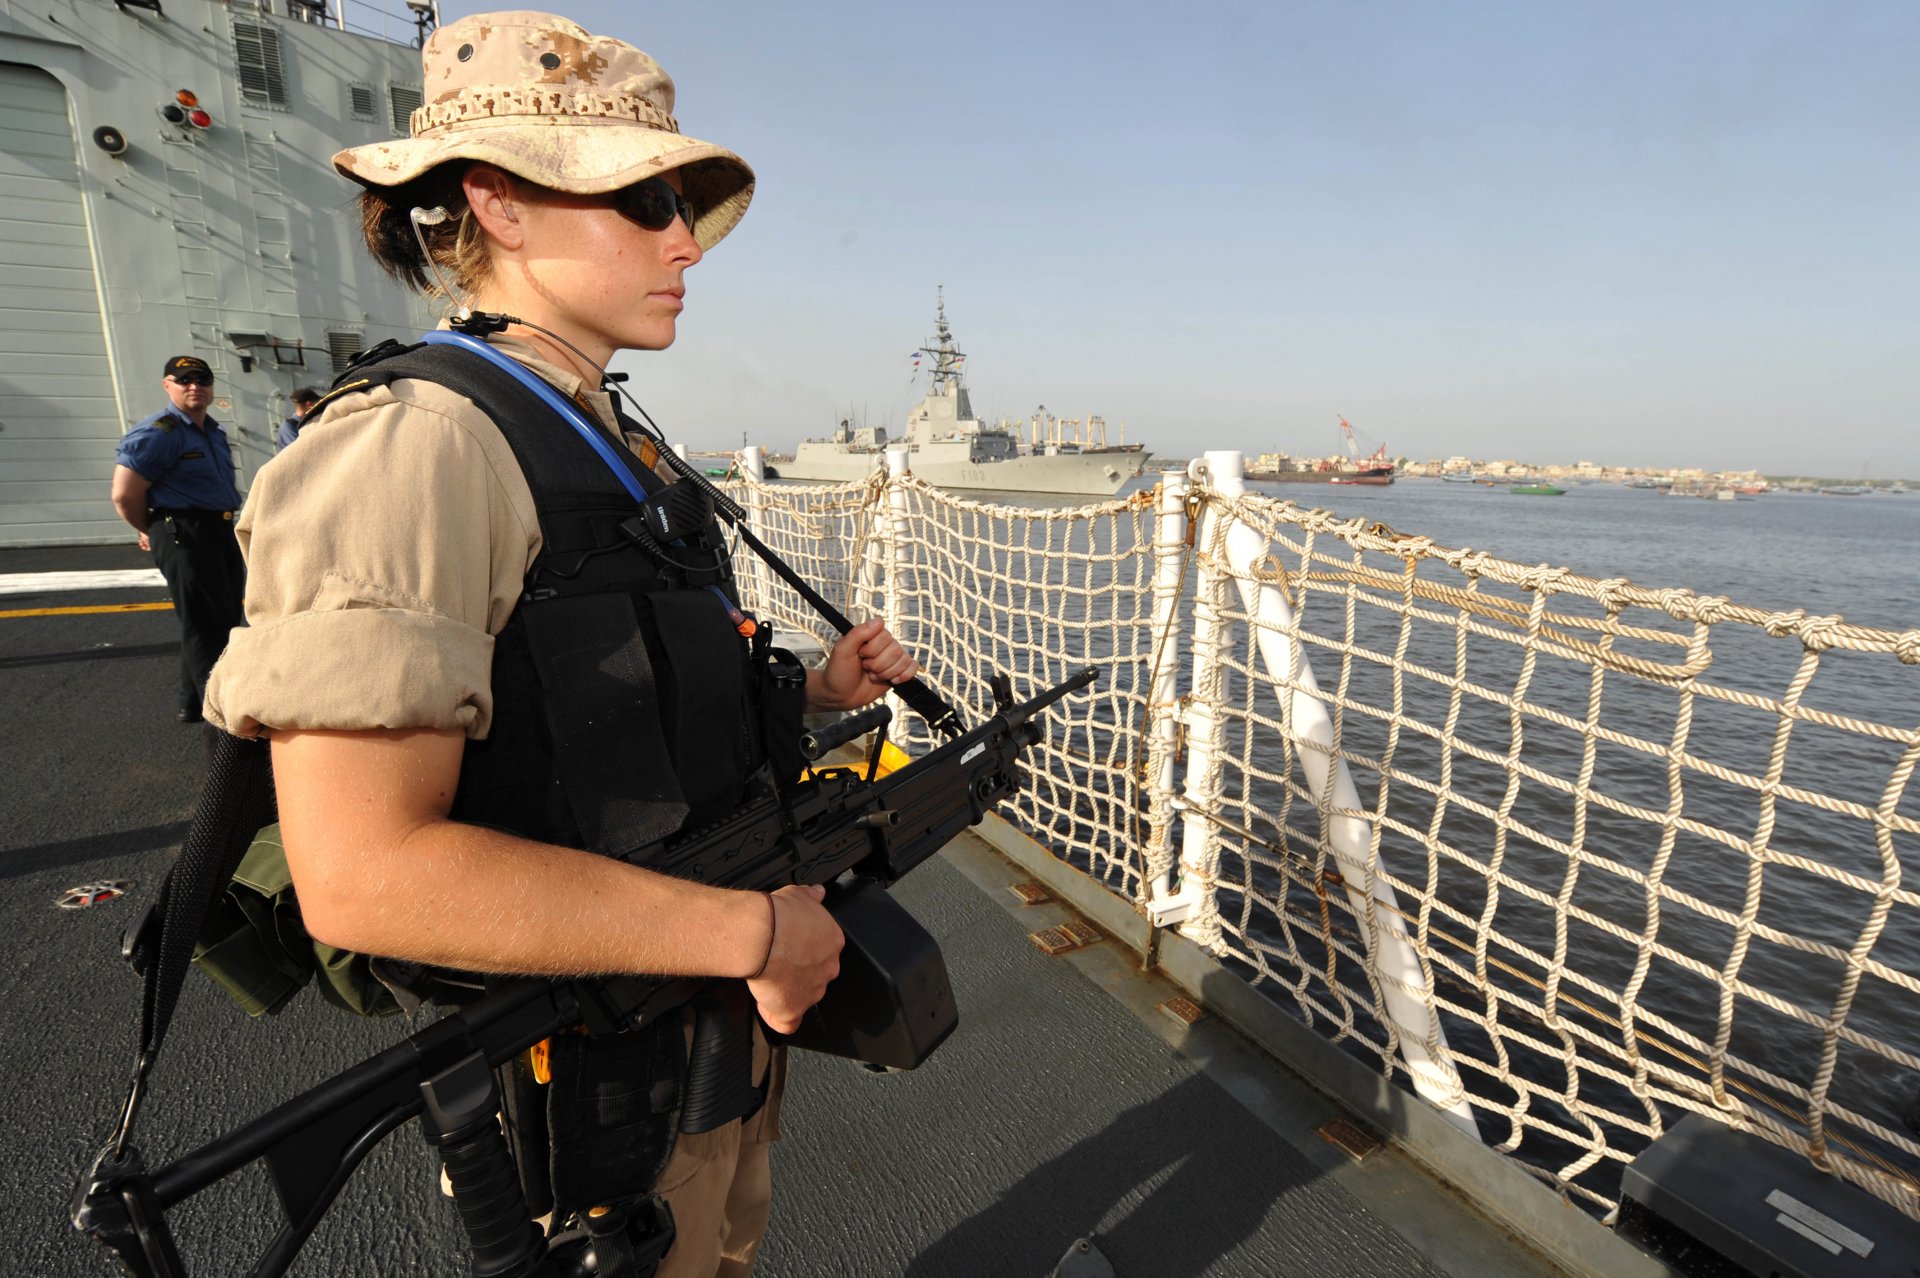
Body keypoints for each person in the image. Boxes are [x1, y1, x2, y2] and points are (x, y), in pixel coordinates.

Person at [202, 12, 916, 1276]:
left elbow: (596, 699)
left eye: (682, 204)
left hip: (692, 1002)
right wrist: (752, 937)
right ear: (501, 204)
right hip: (598, 1056)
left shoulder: (600, 431)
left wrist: (810, 692)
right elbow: (365, 875)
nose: (686, 241)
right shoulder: (417, 445)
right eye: (644, 202)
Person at [111, 354, 247, 723]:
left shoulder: (212, 431)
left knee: (217, 616)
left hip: (217, 530)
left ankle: (192, 703)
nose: (194, 387)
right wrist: (149, 529)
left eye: (202, 380)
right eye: (184, 380)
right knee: (206, 625)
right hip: (183, 531)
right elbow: (124, 494)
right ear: (167, 385)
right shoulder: (159, 432)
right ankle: (222, 717)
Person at [276, 386, 321, 450]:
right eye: (317, 404)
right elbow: (301, 449)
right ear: (309, 404)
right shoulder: (289, 426)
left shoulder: (309, 422)